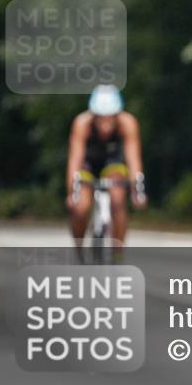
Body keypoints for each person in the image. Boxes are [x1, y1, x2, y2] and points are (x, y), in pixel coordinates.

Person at [66, 85, 147, 261]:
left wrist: (137, 190)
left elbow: (133, 159)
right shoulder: (82, 123)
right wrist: (72, 192)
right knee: (81, 207)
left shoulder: (128, 123)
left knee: (118, 198)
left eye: (110, 119)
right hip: (88, 163)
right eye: (100, 119)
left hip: (113, 162)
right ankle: (79, 251)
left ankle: (117, 253)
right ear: (93, 115)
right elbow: (75, 160)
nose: (105, 125)